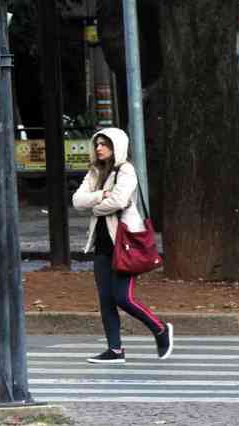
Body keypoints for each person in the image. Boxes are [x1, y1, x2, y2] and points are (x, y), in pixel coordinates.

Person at [72, 127, 173, 364]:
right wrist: (101, 196)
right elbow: (78, 200)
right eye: (96, 144)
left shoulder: (126, 170)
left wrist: (96, 204)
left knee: (123, 298)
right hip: (101, 244)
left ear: (116, 146)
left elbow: (119, 200)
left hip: (124, 243)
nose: (99, 148)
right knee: (105, 299)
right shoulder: (95, 171)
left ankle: (160, 329)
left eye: (104, 144)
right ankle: (115, 350)